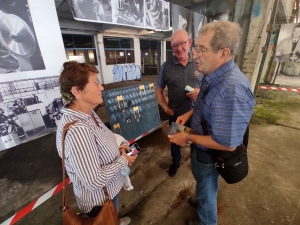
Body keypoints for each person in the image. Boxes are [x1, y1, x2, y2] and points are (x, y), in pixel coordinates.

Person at [168, 21, 256, 225]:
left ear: (223, 53)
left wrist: (186, 136)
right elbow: (205, 102)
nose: (195, 54)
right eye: (196, 47)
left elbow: (228, 143)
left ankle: (206, 219)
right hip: (202, 150)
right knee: (203, 184)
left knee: (208, 190)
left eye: (202, 50)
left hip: (210, 154)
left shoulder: (231, 90)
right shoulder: (214, 75)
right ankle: (201, 199)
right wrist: (189, 114)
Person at [56, 61, 136, 225]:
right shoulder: (77, 131)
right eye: (96, 83)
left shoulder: (87, 112)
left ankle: (114, 219)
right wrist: (123, 160)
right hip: (99, 203)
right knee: (105, 219)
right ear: (77, 91)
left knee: (112, 215)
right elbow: (94, 181)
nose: (101, 88)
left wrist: (118, 145)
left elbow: (102, 137)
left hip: (108, 193)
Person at [155, 29, 202, 177]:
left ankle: (196, 163)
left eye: (182, 43)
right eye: (175, 45)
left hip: (196, 114)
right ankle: (176, 162)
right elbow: (158, 90)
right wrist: (165, 107)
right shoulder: (166, 66)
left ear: (189, 42)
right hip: (176, 116)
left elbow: (210, 85)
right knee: (175, 142)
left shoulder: (199, 63)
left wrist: (199, 92)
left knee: (196, 141)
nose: (179, 48)